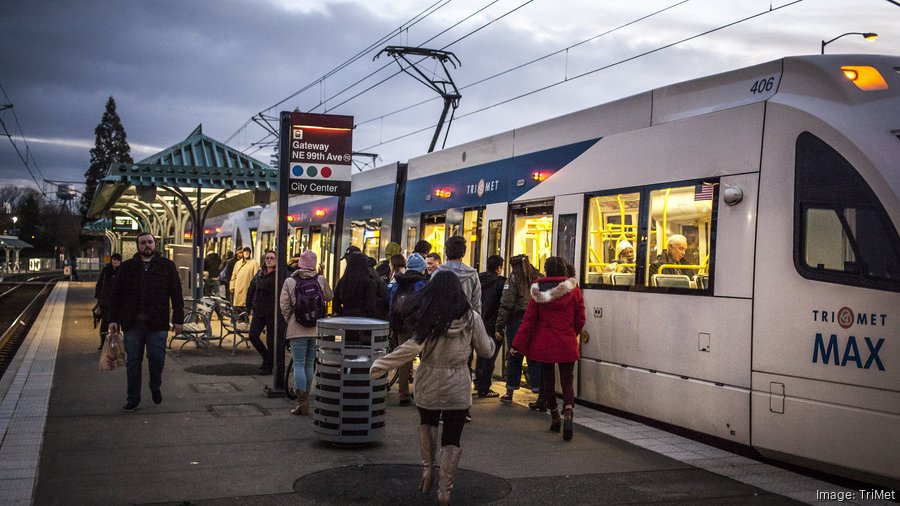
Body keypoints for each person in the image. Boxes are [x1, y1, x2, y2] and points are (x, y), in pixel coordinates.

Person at [370, 271, 494, 505]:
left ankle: (427, 470)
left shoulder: (428, 317)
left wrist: (380, 365)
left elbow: (410, 348)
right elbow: (486, 351)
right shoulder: (471, 318)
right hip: (457, 384)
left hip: (429, 383)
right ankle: (445, 490)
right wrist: (492, 342)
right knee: (452, 438)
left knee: (427, 424)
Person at [511, 256, 586, 441]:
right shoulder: (574, 291)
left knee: (548, 381)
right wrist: (571, 332)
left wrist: (516, 345)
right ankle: (568, 410)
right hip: (567, 342)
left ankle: (554, 417)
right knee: (568, 381)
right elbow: (581, 318)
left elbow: (528, 321)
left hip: (544, 344)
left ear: (546, 270)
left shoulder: (536, 292)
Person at [107, 233, 184, 412]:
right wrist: (112, 319)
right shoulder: (127, 268)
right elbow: (116, 295)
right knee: (133, 362)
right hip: (133, 324)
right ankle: (133, 399)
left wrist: (178, 320)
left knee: (157, 359)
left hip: (158, 323)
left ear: (155, 244)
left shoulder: (167, 266)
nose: (147, 245)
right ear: (137, 246)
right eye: (143, 243)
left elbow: (177, 294)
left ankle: (155, 385)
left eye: (150, 242)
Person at [280, 250, 333, 415]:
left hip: (297, 329)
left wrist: (291, 319)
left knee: (298, 364)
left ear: (300, 264)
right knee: (310, 364)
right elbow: (330, 297)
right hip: (316, 329)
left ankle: (301, 402)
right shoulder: (320, 279)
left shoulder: (290, 281)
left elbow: (284, 305)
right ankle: (306, 399)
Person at [497, 254, 542, 404]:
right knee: (534, 356)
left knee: (514, 355)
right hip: (535, 320)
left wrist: (499, 325)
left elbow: (506, 303)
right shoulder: (539, 277)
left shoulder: (514, 278)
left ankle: (509, 392)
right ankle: (538, 390)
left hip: (517, 320)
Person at [387, 252, 428, 406]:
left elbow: (392, 305)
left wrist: (394, 325)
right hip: (418, 327)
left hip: (401, 327)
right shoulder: (421, 283)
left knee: (403, 361)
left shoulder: (398, 281)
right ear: (421, 268)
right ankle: (421, 392)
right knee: (425, 359)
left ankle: (403, 394)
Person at [245, 250, 287, 375]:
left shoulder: (280, 275)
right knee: (253, 335)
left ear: (277, 260)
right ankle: (267, 358)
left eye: (272, 258)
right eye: (267, 258)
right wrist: (248, 306)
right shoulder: (260, 273)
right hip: (258, 311)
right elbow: (251, 289)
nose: (269, 260)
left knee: (271, 340)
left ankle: (269, 365)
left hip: (272, 312)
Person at [474, 255, 505, 398]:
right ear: (499, 268)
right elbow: (503, 306)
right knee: (490, 356)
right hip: (492, 323)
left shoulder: (478, 278)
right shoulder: (501, 283)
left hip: (478, 321)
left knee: (481, 353)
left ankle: (479, 382)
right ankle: (484, 387)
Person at [437, 236, 481, 313]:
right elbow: (476, 303)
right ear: (464, 253)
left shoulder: (438, 272)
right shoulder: (472, 274)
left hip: (441, 319)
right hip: (465, 319)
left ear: (446, 252)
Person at [333, 251, 382, 318]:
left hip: (346, 319)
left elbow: (336, 304)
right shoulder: (369, 282)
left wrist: (343, 313)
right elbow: (371, 306)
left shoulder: (343, 281)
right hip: (364, 321)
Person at [94, 253, 122, 350]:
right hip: (105, 302)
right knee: (105, 323)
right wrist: (98, 297)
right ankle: (103, 343)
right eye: (114, 259)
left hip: (118, 302)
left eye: (118, 260)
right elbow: (99, 284)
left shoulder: (122, 272)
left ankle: (115, 344)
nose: (115, 261)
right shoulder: (106, 270)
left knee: (116, 323)